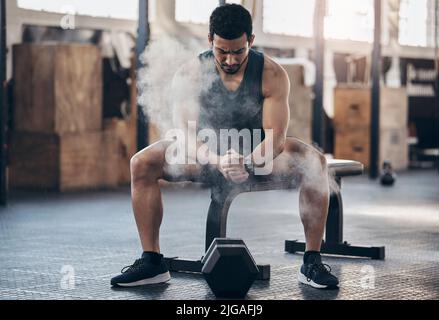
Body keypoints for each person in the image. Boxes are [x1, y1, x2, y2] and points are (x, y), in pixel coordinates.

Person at [111, 4, 339, 290]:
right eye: (222, 51)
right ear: (210, 41)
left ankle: (312, 261)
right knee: (141, 163)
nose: (230, 60)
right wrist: (217, 159)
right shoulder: (190, 73)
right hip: (205, 151)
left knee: (315, 162)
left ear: (251, 42)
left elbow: (276, 138)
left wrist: (246, 161)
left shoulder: (271, 73)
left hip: (257, 151)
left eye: (238, 51)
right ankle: (153, 262)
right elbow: (185, 134)